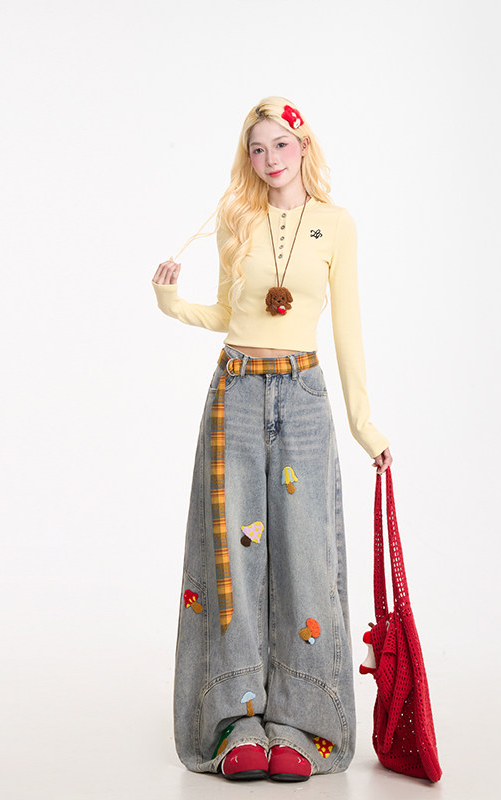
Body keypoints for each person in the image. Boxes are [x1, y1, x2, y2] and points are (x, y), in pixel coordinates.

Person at [151, 96, 392, 782]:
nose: (268, 160)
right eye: (256, 149)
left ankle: (303, 723)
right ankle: (235, 720)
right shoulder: (238, 220)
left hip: (304, 396)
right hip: (235, 391)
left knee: (306, 556)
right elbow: (230, 313)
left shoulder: (336, 225)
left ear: (303, 146)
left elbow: (347, 329)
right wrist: (172, 303)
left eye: (279, 145)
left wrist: (363, 423)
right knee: (232, 555)